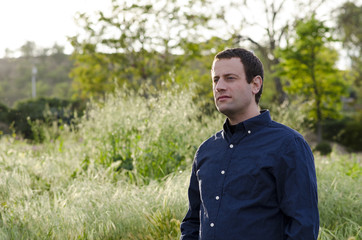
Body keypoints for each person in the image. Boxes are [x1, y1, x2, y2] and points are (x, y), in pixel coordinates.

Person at [180, 48, 319, 240]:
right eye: (215, 79)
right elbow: (193, 222)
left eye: (229, 78)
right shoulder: (206, 151)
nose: (219, 86)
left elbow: (303, 227)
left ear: (255, 84)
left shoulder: (288, 145)